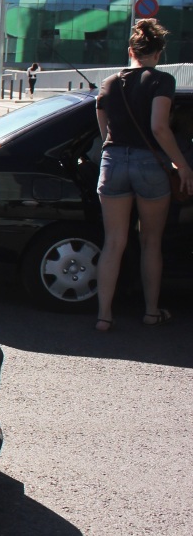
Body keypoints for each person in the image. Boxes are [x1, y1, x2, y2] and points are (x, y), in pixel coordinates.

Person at [92, 19, 193, 332]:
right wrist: (182, 165)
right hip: (149, 165)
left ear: (130, 51)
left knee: (114, 242)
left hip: (112, 163)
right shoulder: (161, 82)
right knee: (151, 241)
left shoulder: (109, 83)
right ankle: (151, 311)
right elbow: (159, 128)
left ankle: (104, 316)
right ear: (159, 53)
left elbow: (103, 129)